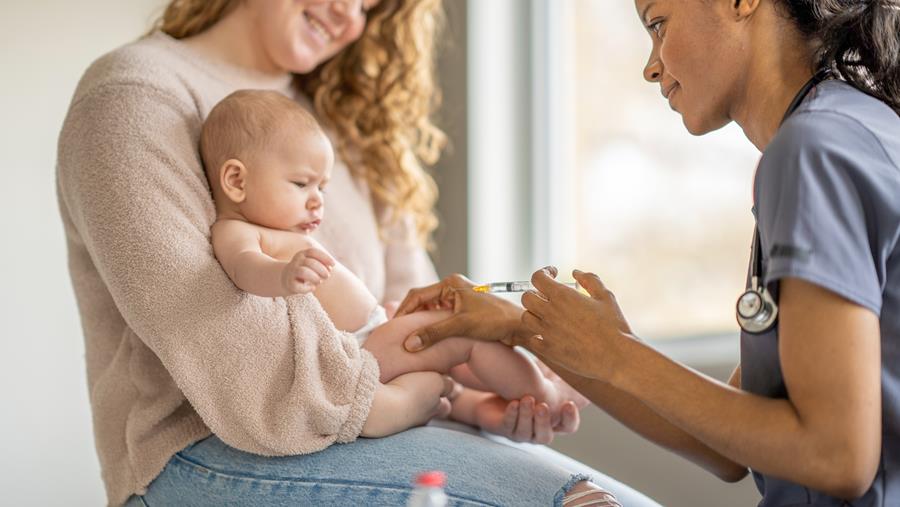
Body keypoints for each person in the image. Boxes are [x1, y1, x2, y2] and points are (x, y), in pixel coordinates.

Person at [55, 0, 658, 505]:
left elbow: (409, 314)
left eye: (370, 4)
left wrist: (475, 402)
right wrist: (402, 386)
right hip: (205, 455)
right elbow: (247, 380)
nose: (348, 14)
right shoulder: (137, 99)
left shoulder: (338, 127)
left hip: (370, 422)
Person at [398, 0, 900, 505]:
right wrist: (521, 327)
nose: (651, 65)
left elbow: (836, 456)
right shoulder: (843, 131)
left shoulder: (812, 152)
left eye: (658, 24)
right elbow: (727, 447)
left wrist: (617, 353)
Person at [202, 89, 582, 429]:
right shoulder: (235, 231)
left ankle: (489, 404)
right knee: (462, 334)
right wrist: (283, 275)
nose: (318, 199)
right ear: (236, 181)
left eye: (322, 186)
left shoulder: (286, 231)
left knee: (451, 354)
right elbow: (244, 267)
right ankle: (546, 395)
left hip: (372, 331)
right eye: (301, 184)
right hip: (358, 350)